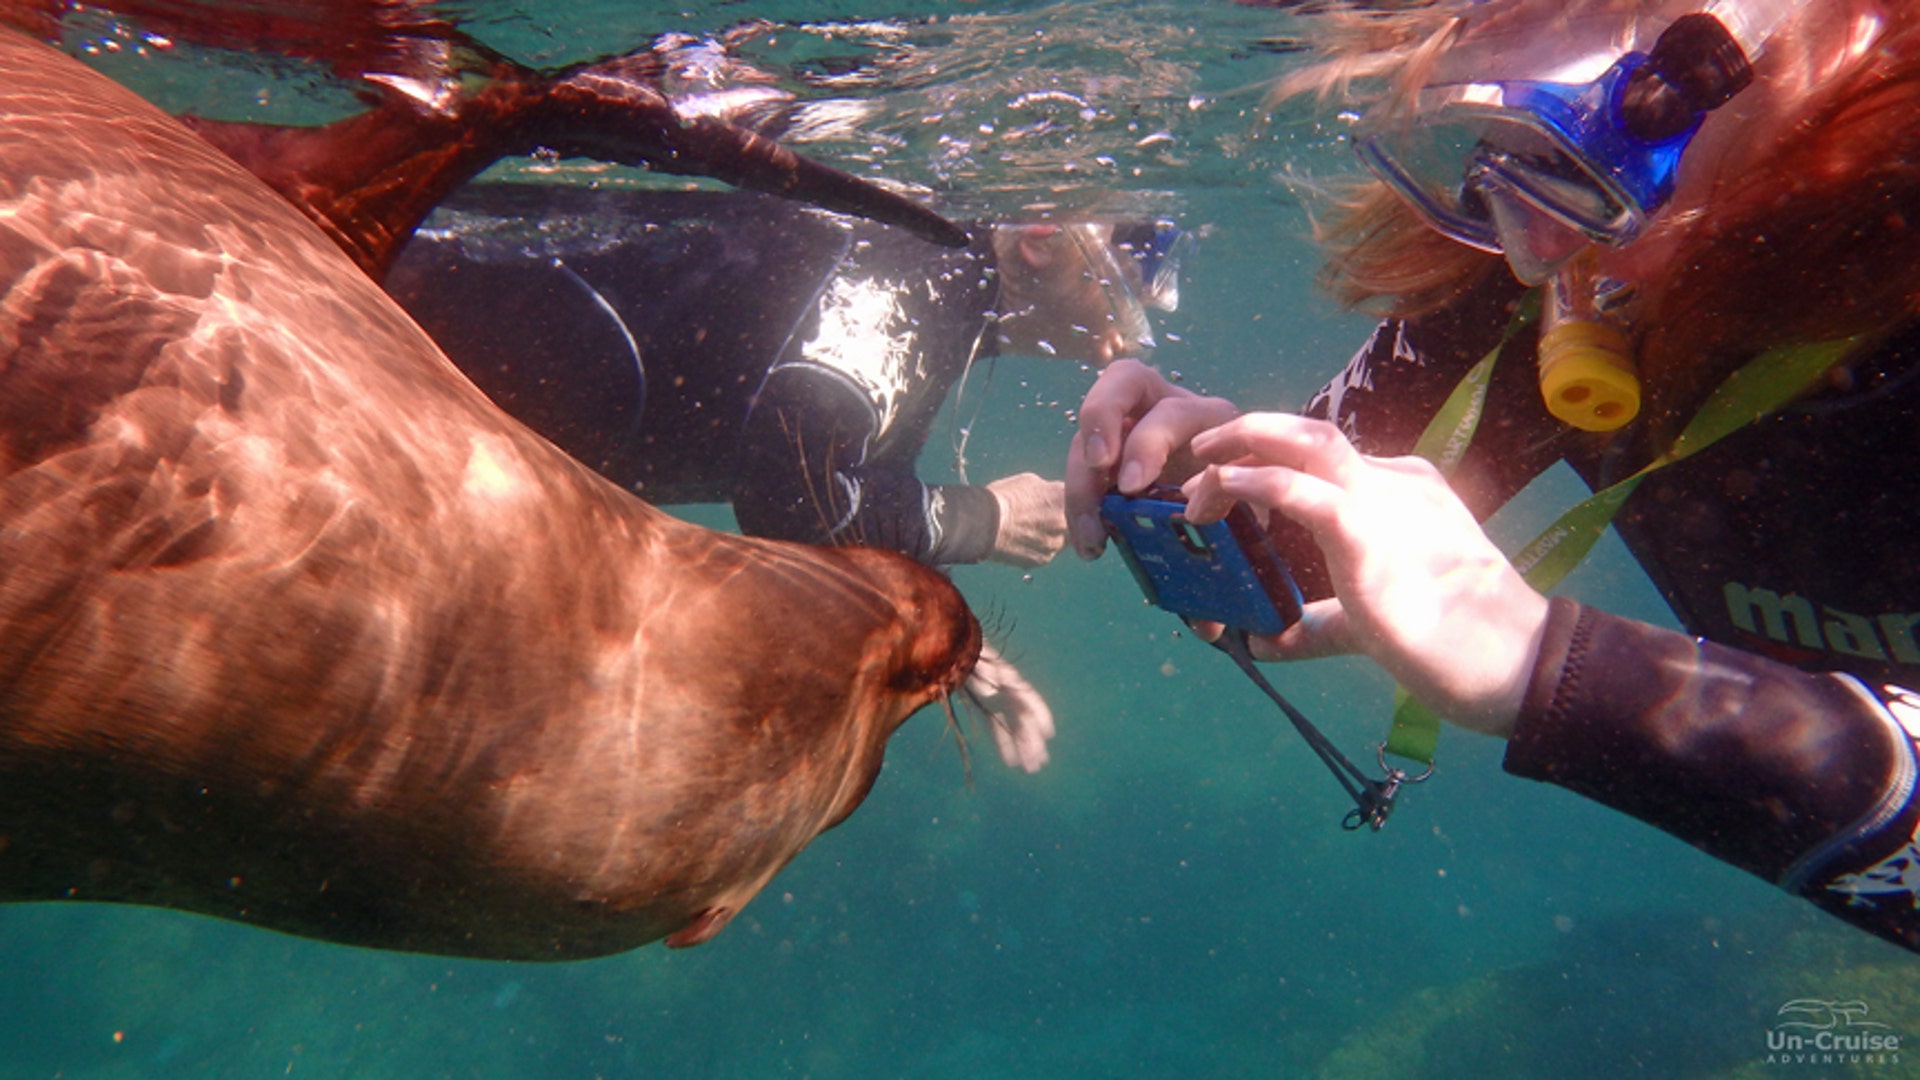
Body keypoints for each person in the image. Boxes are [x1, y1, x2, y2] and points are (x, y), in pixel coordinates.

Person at [1067, 0, 1920, 952]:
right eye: (1489, 157)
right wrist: (1217, 482)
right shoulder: (1572, 275)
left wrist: (1546, 665)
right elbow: (1291, 579)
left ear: (1845, 23)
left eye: (1596, 141)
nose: (1536, 246)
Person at [385, 182, 1188, 773]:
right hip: (395, 327)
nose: (1156, 292)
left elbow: (847, 487)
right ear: (1039, 237)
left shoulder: (929, 286)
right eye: (1137, 249)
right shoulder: (910, 280)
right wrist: (981, 520)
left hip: (417, 379)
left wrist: (959, 653)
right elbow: (791, 488)